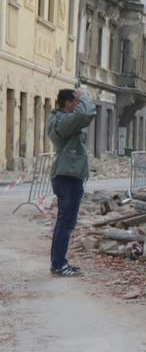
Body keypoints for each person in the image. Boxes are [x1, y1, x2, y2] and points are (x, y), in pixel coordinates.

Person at [47, 87, 97, 277]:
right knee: (66, 223)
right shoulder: (62, 121)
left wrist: (83, 100)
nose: (78, 104)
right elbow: (85, 113)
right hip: (67, 178)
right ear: (69, 103)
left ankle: (59, 263)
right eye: (76, 101)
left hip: (68, 176)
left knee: (64, 222)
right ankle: (59, 265)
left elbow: (85, 116)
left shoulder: (63, 120)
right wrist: (84, 97)